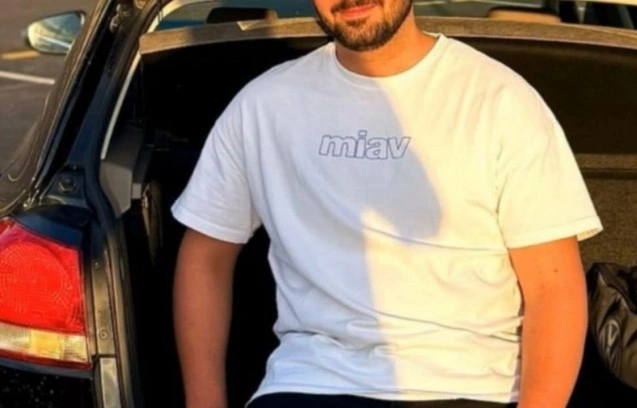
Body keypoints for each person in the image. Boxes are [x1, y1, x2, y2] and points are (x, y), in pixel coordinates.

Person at [171, 1, 603, 407]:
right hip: (308, 381)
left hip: (471, 385)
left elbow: (552, 286)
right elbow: (206, 256)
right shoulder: (263, 105)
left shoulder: (499, 99)